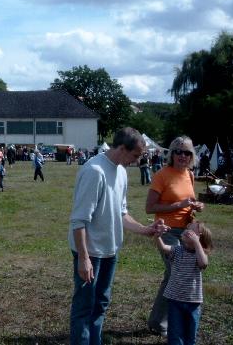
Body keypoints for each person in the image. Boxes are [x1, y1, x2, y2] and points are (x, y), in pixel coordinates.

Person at [69, 127, 169, 345]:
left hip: (109, 250)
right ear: (122, 148)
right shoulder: (95, 171)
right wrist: (84, 259)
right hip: (91, 253)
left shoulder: (121, 171)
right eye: (135, 155)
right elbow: (79, 220)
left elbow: (121, 213)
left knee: (101, 304)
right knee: (85, 308)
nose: (136, 161)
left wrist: (146, 229)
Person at [146, 135, 205, 337]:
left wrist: (197, 206)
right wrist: (177, 205)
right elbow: (149, 207)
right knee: (175, 273)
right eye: (178, 151)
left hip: (186, 231)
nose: (182, 155)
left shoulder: (189, 175)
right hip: (167, 230)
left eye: (187, 152)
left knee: (171, 275)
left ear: (192, 156)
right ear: (172, 153)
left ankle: (157, 321)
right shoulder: (162, 175)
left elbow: (190, 201)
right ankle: (163, 322)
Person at [154, 221, 212, 345]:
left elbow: (203, 263)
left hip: (193, 302)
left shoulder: (200, 254)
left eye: (190, 231)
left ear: (199, 236)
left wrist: (197, 243)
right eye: (186, 229)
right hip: (175, 299)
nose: (185, 231)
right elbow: (164, 248)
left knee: (190, 333)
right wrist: (157, 236)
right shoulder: (177, 250)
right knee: (174, 332)